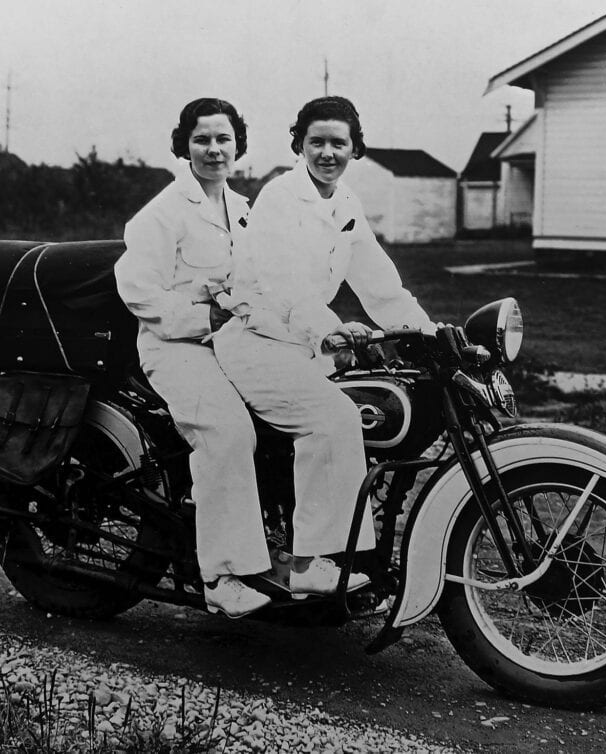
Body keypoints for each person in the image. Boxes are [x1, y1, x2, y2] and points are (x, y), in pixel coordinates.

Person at [213, 95, 436, 595]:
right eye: (317, 142)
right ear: (300, 144)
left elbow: (379, 281)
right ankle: (309, 562)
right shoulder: (279, 197)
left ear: (356, 148)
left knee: (366, 412)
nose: (328, 152)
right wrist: (331, 329)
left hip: (303, 344)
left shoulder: (346, 202)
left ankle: (318, 544)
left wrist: (425, 331)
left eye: (339, 142)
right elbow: (283, 284)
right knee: (333, 420)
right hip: (257, 340)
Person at [114, 98, 272, 619]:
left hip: (236, 343)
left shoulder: (247, 211)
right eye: (202, 139)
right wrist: (206, 319)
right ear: (184, 145)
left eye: (224, 139)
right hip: (175, 346)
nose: (214, 149)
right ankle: (222, 577)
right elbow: (139, 291)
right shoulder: (162, 213)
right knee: (227, 430)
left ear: (238, 145)